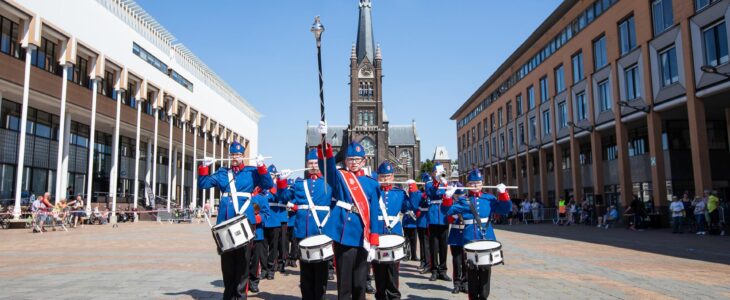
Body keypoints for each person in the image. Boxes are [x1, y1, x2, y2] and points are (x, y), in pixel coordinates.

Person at [197, 141, 273, 300]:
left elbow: (268, 184)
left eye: (238, 155)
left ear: (243, 156)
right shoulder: (223, 173)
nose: (235, 158)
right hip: (225, 222)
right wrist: (204, 167)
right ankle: (228, 294)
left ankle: (240, 295)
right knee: (227, 262)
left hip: (244, 222)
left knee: (243, 261)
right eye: (232, 155)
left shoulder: (252, 172)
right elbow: (203, 184)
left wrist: (261, 167)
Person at [318, 129, 382, 300]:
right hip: (343, 233)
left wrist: (374, 237)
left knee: (360, 282)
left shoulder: (372, 184)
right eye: (350, 159)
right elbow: (327, 169)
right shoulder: (340, 176)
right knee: (344, 283)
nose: (353, 162)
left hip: (363, 234)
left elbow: (374, 212)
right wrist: (324, 141)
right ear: (345, 160)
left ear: (363, 161)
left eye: (357, 159)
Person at [445, 169, 512, 299]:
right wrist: (447, 197)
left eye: (478, 182)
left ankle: (483, 296)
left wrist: (503, 194)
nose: (475, 185)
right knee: (471, 271)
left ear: (482, 183)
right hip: (469, 238)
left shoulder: (489, 198)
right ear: (468, 184)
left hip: (487, 239)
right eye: (472, 183)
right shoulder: (463, 200)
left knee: (485, 271)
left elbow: (505, 209)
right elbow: (447, 211)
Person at [277, 149, 333, 300]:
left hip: (321, 233)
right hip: (303, 232)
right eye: (311, 163)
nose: (313, 165)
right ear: (306, 164)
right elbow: (283, 197)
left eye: (316, 163)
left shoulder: (329, 183)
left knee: (321, 273)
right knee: (305, 273)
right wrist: (282, 181)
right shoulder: (300, 184)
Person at [371, 161, 412, 300]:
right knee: (378, 272)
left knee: (393, 272)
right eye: (382, 176)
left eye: (388, 176)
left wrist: (414, 192)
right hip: (378, 235)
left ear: (392, 176)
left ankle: (394, 296)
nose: (385, 179)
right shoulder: (373, 193)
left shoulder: (399, 193)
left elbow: (410, 207)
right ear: (378, 177)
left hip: (394, 236)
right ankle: (380, 295)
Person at [424, 163, 452, 282]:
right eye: (437, 172)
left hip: (444, 216)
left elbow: (449, 196)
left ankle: (443, 270)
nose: (440, 174)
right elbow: (431, 193)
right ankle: (434, 270)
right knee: (434, 245)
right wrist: (437, 182)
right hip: (434, 216)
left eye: (441, 172)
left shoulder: (445, 183)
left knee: (443, 245)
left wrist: (445, 184)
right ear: (433, 173)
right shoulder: (429, 184)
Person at [262, 164, 285, 280]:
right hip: (263, 220)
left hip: (275, 220)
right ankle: (264, 269)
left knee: (273, 247)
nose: (270, 177)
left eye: (272, 175)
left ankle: (271, 269)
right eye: (269, 175)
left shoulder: (276, 187)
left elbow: (280, 197)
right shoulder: (262, 186)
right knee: (262, 247)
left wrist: (272, 188)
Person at [247, 188, 272, 293]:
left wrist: (258, 218)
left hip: (257, 233)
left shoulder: (261, 198)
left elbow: (266, 214)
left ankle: (253, 281)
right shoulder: (241, 196)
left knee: (255, 260)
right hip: (242, 233)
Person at [446, 185, 467, 294]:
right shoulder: (453, 206)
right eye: (458, 195)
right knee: (456, 261)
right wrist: (453, 216)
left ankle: (465, 283)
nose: (459, 197)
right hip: (455, 234)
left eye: (462, 195)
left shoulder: (467, 204)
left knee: (466, 261)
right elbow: (447, 218)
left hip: (466, 234)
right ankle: (457, 284)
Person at [416, 173, 431, 274]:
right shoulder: (421, 192)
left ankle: (428, 263)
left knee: (427, 244)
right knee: (422, 243)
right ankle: (423, 261)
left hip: (428, 220)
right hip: (421, 220)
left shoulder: (430, 192)